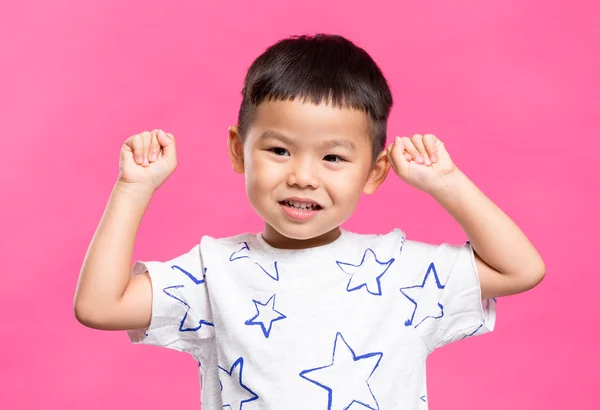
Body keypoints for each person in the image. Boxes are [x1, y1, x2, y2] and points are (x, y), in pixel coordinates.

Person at [74, 34, 545, 409]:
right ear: (240, 150)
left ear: (374, 172)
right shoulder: (213, 272)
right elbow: (100, 306)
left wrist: (447, 182)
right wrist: (133, 189)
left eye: (334, 157)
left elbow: (520, 269)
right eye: (279, 150)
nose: (302, 176)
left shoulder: (399, 269)